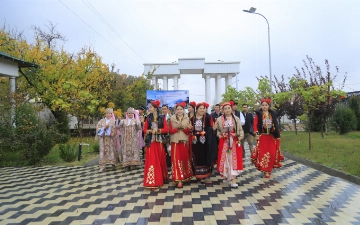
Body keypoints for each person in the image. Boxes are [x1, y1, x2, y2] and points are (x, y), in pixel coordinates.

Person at [251, 98, 284, 178]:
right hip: (263, 137)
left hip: (271, 137)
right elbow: (255, 125)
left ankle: (269, 168)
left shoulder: (272, 114)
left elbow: (275, 124)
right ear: (261, 106)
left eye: (266, 105)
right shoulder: (258, 115)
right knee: (263, 154)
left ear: (269, 106)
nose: (264, 107)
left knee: (272, 153)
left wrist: (277, 133)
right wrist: (257, 134)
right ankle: (266, 171)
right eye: (263, 105)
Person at [215, 102, 244, 187]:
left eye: (229, 108)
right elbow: (217, 131)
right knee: (224, 159)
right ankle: (226, 175)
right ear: (223, 110)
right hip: (224, 142)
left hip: (234, 142)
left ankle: (233, 179)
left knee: (232, 160)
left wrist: (239, 136)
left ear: (231, 109)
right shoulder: (219, 119)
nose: (227, 110)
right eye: (225, 109)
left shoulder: (236, 118)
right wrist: (220, 135)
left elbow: (240, 130)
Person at [143, 100, 169, 190]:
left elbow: (166, 129)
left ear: (155, 108)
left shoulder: (162, 117)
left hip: (160, 142)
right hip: (151, 142)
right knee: (152, 160)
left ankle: (162, 178)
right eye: (149, 107)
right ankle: (153, 180)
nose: (149, 109)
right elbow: (144, 129)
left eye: (150, 107)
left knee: (160, 160)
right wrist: (150, 131)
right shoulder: (148, 117)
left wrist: (158, 131)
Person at [190, 102, 217, 182]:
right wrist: (190, 129)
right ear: (197, 109)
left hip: (205, 139)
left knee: (204, 155)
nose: (202, 110)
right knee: (196, 155)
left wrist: (212, 129)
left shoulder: (207, 118)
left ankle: (204, 175)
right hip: (195, 139)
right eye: (200, 108)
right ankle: (198, 174)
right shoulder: (192, 118)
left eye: (203, 108)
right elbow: (191, 129)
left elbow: (210, 128)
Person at [169, 102, 194, 188]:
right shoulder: (171, 119)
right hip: (175, 142)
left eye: (181, 109)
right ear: (175, 111)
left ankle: (184, 176)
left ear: (184, 110)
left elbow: (187, 132)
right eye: (177, 109)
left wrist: (189, 128)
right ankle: (178, 179)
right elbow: (170, 131)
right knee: (176, 160)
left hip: (184, 141)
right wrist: (177, 128)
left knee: (184, 159)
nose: (179, 111)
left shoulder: (187, 119)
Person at [96, 108, 119, 172]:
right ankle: (102, 166)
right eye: (107, 113)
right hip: (103, 138)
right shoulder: (101, 121)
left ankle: (113, 164)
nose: (108, 114)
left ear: (111, 114)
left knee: (112, 151)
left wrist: (113, 133)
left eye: (109, 113)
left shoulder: (113, 122)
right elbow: (97, 129)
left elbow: (115, 130)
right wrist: (104, 128)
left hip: (110, 139)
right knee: (103, 152)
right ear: (105, 114)